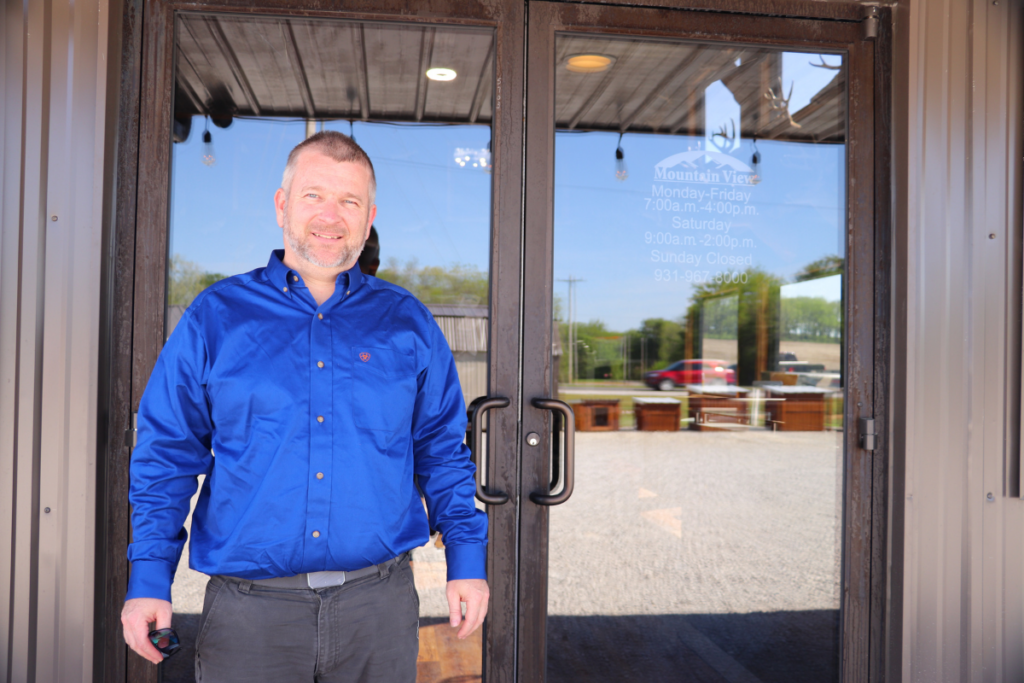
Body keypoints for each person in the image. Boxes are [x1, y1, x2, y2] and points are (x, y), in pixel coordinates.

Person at [121, 131, 488, 682]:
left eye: (350, 201)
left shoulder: (408, 323)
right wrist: (150, 576)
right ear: (282, 205)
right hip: (251, 616)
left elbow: (441, 450)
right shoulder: (215, 318)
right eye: (314, 195)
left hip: (378, 612)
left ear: (368, 219)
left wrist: (466, 559)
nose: (331, 216)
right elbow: (167, 454)